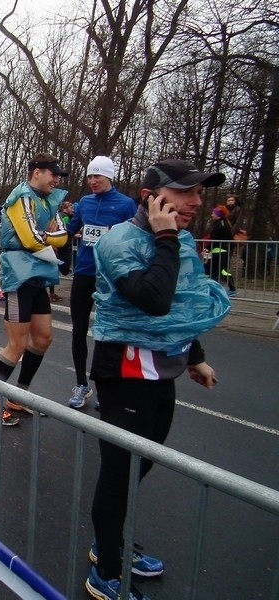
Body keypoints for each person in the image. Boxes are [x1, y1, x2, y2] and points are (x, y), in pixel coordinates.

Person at [85, 158, 230, 600]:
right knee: (118, 472)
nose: (197, 202)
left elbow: (184, 305)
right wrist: (167, 237)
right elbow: (153, 301)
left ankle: (109, 544)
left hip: (161, 371)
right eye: (187, 192)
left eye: (200, 193)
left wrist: (195, 357)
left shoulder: (180, 241)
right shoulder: (119, 240)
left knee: (141, 465)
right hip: (124, 371)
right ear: (153, 197)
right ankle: (106, 571)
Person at [0, 153, 69, 425]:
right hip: (18, 277)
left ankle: (19, 395)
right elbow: (30, 240)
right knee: (16, 344)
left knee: (43, 339)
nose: (56, 180)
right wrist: (46, 236)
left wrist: (45, 237)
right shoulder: (21, 198)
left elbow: (63, 237)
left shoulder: (47, 201)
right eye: (54, 174)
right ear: (37, 172)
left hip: (39, 276)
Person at [65, 156, 138, 410]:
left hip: (110, 276)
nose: (93, 181)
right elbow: (70, 230)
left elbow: (134, 239)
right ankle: (81, 384)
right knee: (78, 330)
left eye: (98, 176)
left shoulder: (126, 204)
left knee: (108, 333)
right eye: (90, 177)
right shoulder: (84, 202)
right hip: (84, 273)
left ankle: (108, 389)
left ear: (110, 177)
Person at [208, 204, 237, 296]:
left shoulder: (219, 224)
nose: (212, 215)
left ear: (218, 214)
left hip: (218, 250)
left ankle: (230, 289)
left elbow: (214, 239)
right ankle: (216, 288)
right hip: (223, 250)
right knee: (219, 271)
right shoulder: (225, 223)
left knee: (211, 270)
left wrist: (207, 248)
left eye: (213, 213)